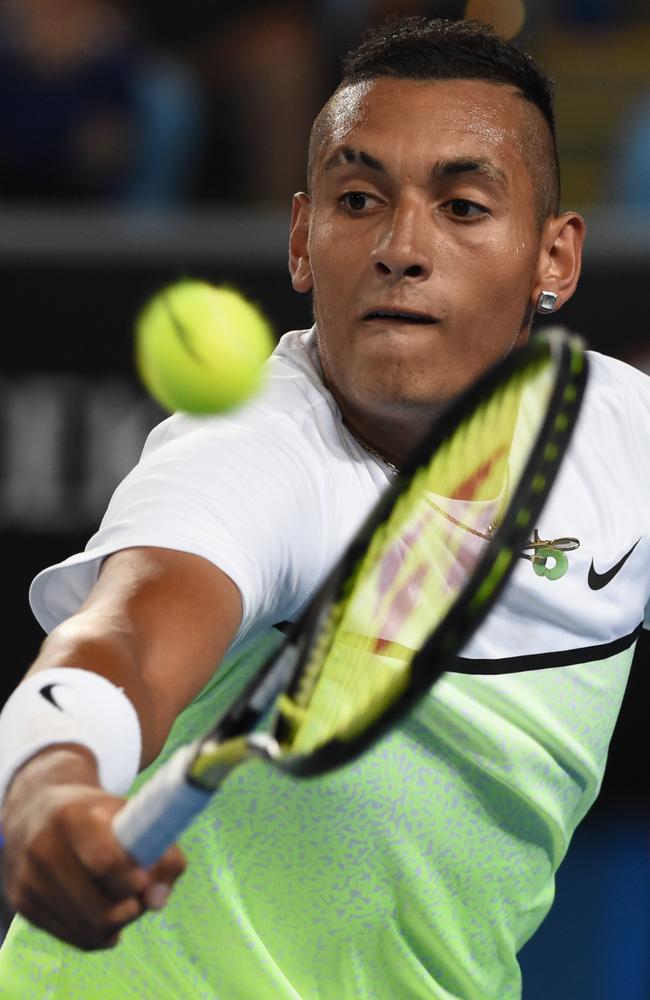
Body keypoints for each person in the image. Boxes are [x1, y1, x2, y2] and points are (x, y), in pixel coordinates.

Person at [0, 15, 649, 999]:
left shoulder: (622, 440)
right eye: (358, 199)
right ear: (304, 240)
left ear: (552, 259)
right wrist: (50, 786)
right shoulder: (253, 450)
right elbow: (119, 641)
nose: (400, 246)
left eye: (463, 207)